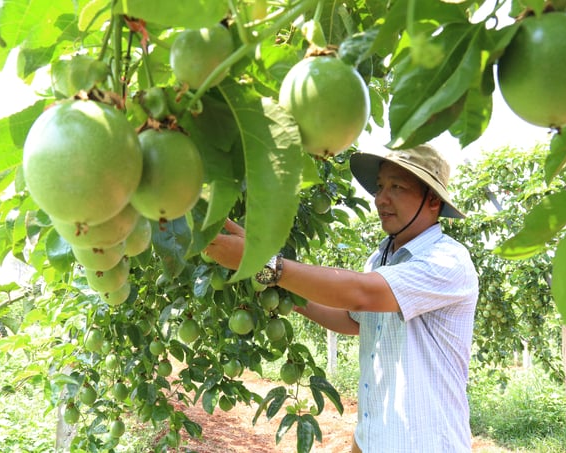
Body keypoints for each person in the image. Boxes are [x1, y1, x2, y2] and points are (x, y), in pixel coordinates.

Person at [203, 144, 479, 452]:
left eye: (396, 187)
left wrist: (267, 264)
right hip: (374, 439)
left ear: (432, 200)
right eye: (380, 187)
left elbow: (360, 294)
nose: (380, 198)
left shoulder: (447, 260)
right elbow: (353, 319)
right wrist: (289, 295)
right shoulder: (382, 259)